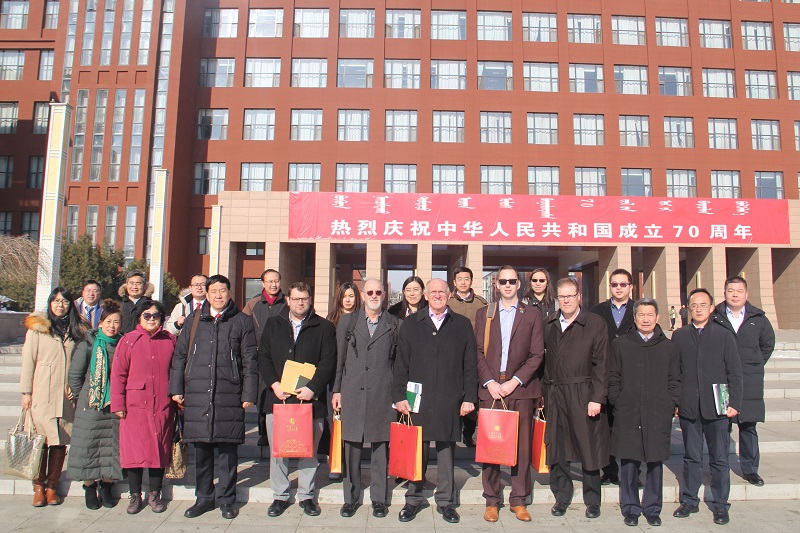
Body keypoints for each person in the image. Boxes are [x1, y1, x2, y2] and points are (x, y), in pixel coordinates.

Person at [170, 274, 258, 520]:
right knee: (202, 451)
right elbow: (180, 355)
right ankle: (204, 498)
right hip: (197, 392)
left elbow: (250, 360)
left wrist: (249, 393)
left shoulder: (242, 321)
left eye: (223, 290)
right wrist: (176, 388)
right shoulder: (194, 320)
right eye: (214, 291)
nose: (218, 295)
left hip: (229, 393)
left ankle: (227, 499)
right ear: (206, 294)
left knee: (228, 452)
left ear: (230, 293)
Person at [393, 278, 478, 524]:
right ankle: (413, 499)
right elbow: (401, 364)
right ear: (426, 296)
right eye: (433, 292)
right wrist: (399, 396)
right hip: (417, 398)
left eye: (442, 292)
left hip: (450, 397)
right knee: (416, 450)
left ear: (449, 295)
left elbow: (470, 364)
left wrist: (469, 398)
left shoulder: (461, 324)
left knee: (446, 450)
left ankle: (446, 501)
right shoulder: (411, 324)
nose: (438, 295)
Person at [258, 282, 337, 518]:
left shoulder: (324, 327)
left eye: (304, 298)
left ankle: (306, 495)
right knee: (278, 451)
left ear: (310, 300)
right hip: (279, 398)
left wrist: (313, 388)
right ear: (288, 300)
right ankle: (280, 495)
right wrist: (274, 384)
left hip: (310, 400)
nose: (300, 302)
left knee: (309, 451)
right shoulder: (273, 324)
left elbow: (328, 361)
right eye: (295, 298)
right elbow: (263, 357)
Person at [475, 266, 544, 523]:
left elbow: (537, 354)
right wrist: (490, 382)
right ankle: (492, 500)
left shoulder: (532, 314)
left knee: (522, 447)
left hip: (521, 389)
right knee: (491, 445)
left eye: (511, 281)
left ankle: (519, 499)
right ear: (496, 284)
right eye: (502, 281)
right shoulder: (485, 313)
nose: (507, 285)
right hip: (492, 388)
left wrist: (515, 381)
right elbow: (477, 351)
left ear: (519, 284)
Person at [672, 288, 743, 526]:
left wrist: (734, 403)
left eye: (703, 305)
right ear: (688, 309)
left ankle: (720, 504)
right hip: (689, 406)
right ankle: (689, 500)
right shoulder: (680, 336)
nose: (699, 309)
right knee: (691, 456)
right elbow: (675, 372)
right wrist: (676, 401)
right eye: (694, 305)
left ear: (712, 308)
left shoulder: (724, 335)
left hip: (719, 405)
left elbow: (735, 371)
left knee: (719, 458)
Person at [608, 298, 681, 528]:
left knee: (655, 463)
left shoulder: (668, 347)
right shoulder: (621, 344)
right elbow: (613, 376)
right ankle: (630, 507)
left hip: (657, 412)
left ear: (657, 317)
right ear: (635, 317)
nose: (646, 319)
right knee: (629, 462)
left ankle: (652, 508)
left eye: (650, 315)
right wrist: (617, 400)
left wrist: (670, 402)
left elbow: (675, 380)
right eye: (641, 315)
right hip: (628, 411)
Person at [332, 279, 399, 518]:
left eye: (378, 292)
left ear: (385, 294)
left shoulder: (394, 324)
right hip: (352, 392)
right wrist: (336, 390)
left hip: (383, 393)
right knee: (351, 447)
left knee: (380, 448)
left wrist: (398, 395)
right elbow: (339, 360)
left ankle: (379, 499)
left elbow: (398, 363)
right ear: (362, 294)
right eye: (369, 291)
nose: (374, 295)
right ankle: (350, 498)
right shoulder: (348, 322)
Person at [544, 277, 609, 519]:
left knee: (588, 446)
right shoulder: (549, 323)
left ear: (579, 297)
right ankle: (562, 496)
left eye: (570, 296)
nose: (566, 300)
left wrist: (597, 397)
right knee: (558, 447)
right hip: (555, 393)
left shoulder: (594, 323)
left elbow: (602, 364)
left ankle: (592, 500)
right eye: (562, 296)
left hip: (584, 392)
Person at [21, 287, 85, 507]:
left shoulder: (76, 330)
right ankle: (38, 487)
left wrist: (76, 385)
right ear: (50, 303)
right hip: (42, 392)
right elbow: (28, 362)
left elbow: (81, 362)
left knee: (60, 441)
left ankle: (52, 486)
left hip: (65, 395)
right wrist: (26, 392)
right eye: (56, 301)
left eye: (64, 301)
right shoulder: (38, 329)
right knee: (41, 441)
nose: (60, 305)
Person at [111, 300, 176, 514]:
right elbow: (118, 374)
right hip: (135, 405)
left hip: (162, 404)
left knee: (159, 450)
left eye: (156, 315)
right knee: (135, 452)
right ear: (139, 317)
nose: (151, 319)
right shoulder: (128, 341)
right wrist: (118, 403)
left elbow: (177, 371)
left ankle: (155, 494)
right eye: (147, 315)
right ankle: (135, 495)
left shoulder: (170, 340)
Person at [714, 276, 775, 487]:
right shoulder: (716, 317)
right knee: (721, 427)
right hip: (722, 381)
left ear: (746, 294)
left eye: (739, 291)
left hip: (749, 381)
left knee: (748, 426)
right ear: (725, 293)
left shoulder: (758, 318)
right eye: (731, 291)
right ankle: (719, 467)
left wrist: (754, 364)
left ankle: (750, 469)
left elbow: (768, 344)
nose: (735, 295)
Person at [67, 299, 124, 510]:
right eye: (108, 321)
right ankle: (90, 487)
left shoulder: (123, 345)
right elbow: (75, 375)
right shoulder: (88, 344)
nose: (112, 326)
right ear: (100, 323)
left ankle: (107, 485)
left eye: (116, 322)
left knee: (112, 447)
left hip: (114, 405)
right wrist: (82, 396)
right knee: (88, 446)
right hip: (90, 404)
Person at [590, 268, 635, 486]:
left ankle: (631, 473)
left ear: (630, 287)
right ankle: (609, 470)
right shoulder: (597, 311)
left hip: (631, 377)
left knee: (630, 428)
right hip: (604, 376)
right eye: (614, 284)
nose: (618, 288)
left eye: (622, 284)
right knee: (605, 428)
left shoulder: (640, 310)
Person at [323, 281, 362, 480]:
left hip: (355, 378)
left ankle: (351, 463)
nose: (348, 300)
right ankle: (335, 461)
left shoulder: (363, 319)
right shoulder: (331, 321)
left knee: (351, 422)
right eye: (344, 296)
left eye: (351, 296)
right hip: (334, 378)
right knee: (335, 421)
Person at [243, 268, 286, 446]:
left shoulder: (287, 302)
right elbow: (243, 327)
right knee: (262, 395)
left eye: (276, 281)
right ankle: (264, 433)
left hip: (282, 358)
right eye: (269, 281)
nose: (273, 284)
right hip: (258, 357)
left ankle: (281, 432)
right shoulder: (253, 304)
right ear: (263, 283)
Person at [447, 266, 487, 448]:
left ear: (471, 281)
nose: (463, 282)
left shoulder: (481, 303)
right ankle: (452, 432)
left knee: (472, 395)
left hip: (472, 355)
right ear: (454, 282)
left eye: (466, 279)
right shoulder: (447, 302)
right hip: (451, 355)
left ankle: (468, 433)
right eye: (459, 279)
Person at [118, 270, 153, 334]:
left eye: (138, 283)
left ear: (144, 286)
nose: (134, 287)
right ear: (126, 285)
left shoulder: (150, 305)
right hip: (122, 339)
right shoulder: (119, 305)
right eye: (131, 283)